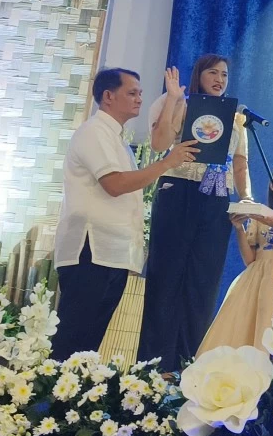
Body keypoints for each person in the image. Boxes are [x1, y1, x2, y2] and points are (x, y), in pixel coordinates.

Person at [52, 68, 197, 359]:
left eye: (141, 93)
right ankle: (46, 402)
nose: (139, 99)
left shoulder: (117, 139)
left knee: (88, 346)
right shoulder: (94, 132)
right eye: (132, 92)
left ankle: (70, 401)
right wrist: (166, 163)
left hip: (111, 253)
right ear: (108, 96)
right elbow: (115, 185)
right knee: (71, 340)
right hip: (89, 249)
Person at [138, 56, 253, 370]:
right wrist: (174, 99)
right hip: (178, 189)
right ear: (199, 75)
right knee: (166, 279)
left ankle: (188, 367)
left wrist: (247, 200)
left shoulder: (236, 117)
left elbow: (240, 164)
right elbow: (160, 142)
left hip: (216, 195)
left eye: (225, 74)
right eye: (212, 72)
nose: (219, 78)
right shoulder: (178, 101)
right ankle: (152, 367)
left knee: (203, 283)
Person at [197, 162, 273, 355]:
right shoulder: (259, 214)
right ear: (271, 184)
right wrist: (239, 228)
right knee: (244, 328)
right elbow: (250, 260)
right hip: (257, 277)